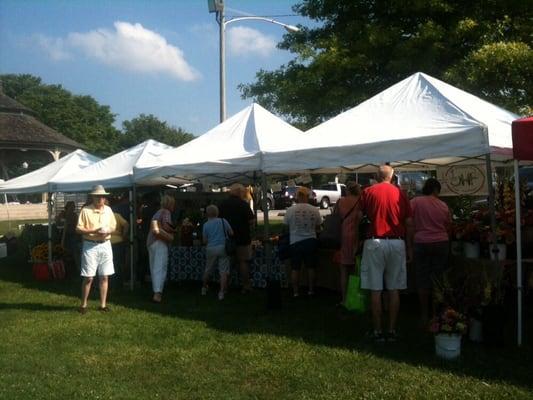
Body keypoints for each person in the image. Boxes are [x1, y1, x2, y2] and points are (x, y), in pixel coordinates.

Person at [360, 165, 413, 342]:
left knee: (375, 289)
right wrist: (410, 247)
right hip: (397, 242)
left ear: (376, 176)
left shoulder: (368, 191)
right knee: (394, 288)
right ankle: (391, 330)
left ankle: (377, 331)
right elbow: (409, 222)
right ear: (392, 176)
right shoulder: (400, 193)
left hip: (374, 241)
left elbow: (359, 218)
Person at [410, 178, 451, 325]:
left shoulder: (415, 202)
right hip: (441, 242)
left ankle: (424, 313)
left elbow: (409, 221)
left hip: (421, 242)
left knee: (422, 278)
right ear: (436, 190)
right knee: (437, 278)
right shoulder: (443, 205)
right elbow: (448, 225)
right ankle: (436, 313)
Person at [76, 185, 117, 314]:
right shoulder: (85, 210)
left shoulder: (109, 210)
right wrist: (94, 230)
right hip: (90, 245)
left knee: (104, 276)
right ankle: (83, 305)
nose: (101, 199)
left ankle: (103, 305)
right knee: (89, 277)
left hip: (105, 244)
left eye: (103, 196)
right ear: (93, 197)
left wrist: (108, 231)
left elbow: (113, 226)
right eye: (98, 196)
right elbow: (78, 229)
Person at [283, 186, 322, 297]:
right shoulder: (314, 210)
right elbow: (318, 226)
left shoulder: (290, 210)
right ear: (307, 197)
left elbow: (285, 227)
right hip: (310, 240)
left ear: (296, 197)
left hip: (295, 241)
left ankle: (296, 292)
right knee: (311, 267)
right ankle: (311, 290)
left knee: (295, 268)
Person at [219, 183, 255, 293]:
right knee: (243, 262)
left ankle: (225, 287)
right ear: (239, 192)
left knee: (228, 263)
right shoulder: (243, 204)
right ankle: (246, 286)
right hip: (243, 237)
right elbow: (251, 221)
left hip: (227, 238)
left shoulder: (222, 204)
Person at [335, 181, 363, 305]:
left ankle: (344, 298)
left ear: (347, 190)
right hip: (356, 236)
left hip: (343, 235)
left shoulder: (341, 201)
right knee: (355, 269)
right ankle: (354, 298)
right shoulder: (360, 201)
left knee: (344, 269)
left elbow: (335, 216)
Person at [146, 194, 176, 303]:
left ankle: (156, 291)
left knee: (154, 267)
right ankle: (158, 293)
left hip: (151, 242)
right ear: (170, 204)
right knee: (160, 267)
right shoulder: (166, 212)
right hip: (160, 241)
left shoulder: (157, 212)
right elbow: (167, 226)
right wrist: (174, 231)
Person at [201, 205, 233, 300]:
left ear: (207, 214)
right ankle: (221, 292)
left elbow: (204, 240)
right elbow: (231, 233)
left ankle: (204, 287)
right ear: (217, 212)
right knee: (223, 271)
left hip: (211, 248)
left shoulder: (206, 225)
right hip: (223, 247)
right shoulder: (223, 221)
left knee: (208, 269)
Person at [59, 201, 81, 276]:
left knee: (74, 252)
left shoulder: (75, 215)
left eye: (74, 206)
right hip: (64, 235)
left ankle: (77, 269)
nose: (73, 208)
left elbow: (78, 225)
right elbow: (57, 222)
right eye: (72, 206)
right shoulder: (63, 214)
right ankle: (65, 268)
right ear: (67, 207)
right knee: (65, 252)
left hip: (73, 236)